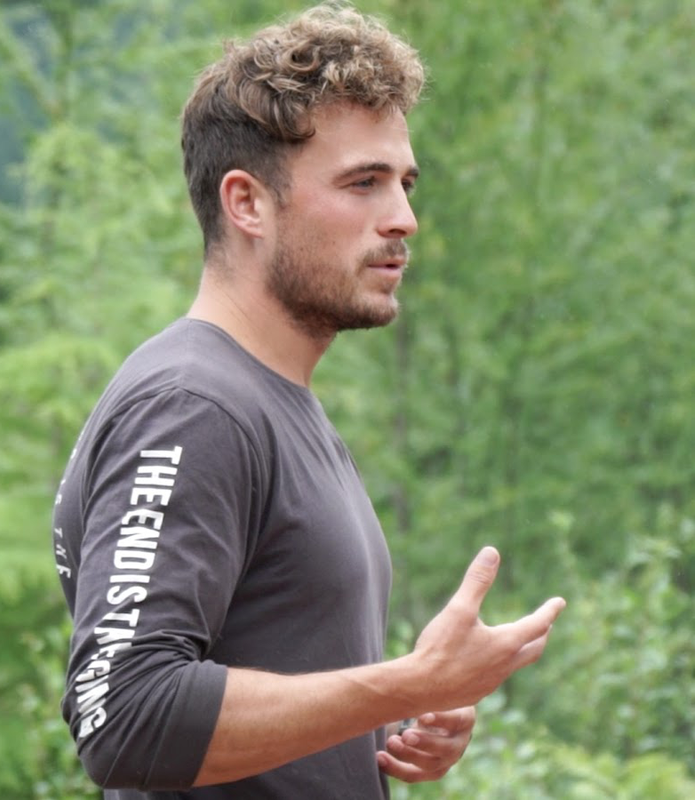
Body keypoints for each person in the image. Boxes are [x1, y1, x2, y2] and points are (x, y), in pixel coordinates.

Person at [52, 4, 566, 798]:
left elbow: (264, 683)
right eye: (363, 183)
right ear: (247, 203)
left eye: (404, 184)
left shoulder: (271, 402)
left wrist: (392, 721)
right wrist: (407, 680)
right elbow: (124, 718)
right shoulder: (193, 408)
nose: (404, 219)